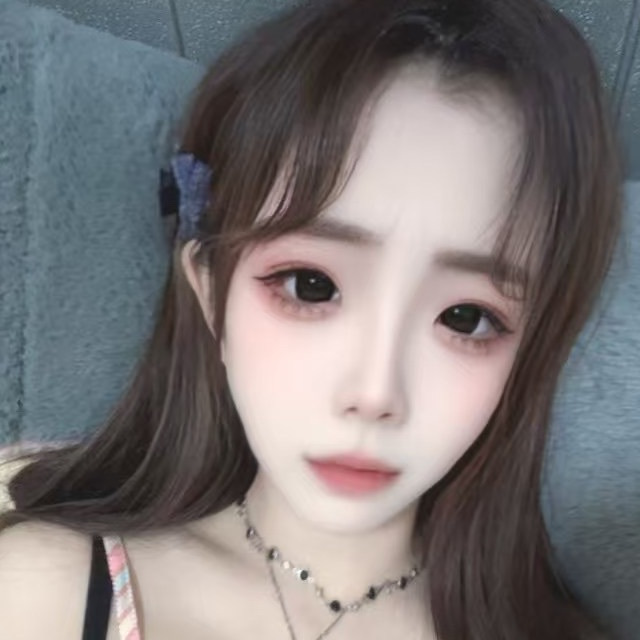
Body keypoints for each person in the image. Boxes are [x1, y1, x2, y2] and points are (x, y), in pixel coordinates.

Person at [0, 0, 624, 638]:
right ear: (211, 293)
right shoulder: (46, 591)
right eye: (311, 285)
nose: (374, 395)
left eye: (466, 319)